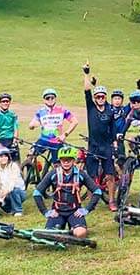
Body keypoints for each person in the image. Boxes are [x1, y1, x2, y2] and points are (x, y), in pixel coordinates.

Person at [33, 144, 104, 238]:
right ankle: (64, 231)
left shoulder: (81, 174)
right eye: (63, 160)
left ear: (74, 161)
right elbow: (37, 193)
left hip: (74, 212)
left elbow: (97, 191)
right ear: (60, 161)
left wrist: (86, 209)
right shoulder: (53, 174)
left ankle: (70, 231)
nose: (66, 162)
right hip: (57, 212)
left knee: (80, 234)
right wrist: (45, 212)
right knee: (49, 235)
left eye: (69, 160)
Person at [83, 63, 118, 210]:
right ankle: (92, 202)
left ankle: (111, 201)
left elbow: (113, 129)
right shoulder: (90, 107)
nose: (100, 98)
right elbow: (86, 90)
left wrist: (115, 143)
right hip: (93, 146)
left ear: (105, 97)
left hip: (106, 147)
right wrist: (86, 74)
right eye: (98, 96)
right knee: (90, 176)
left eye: (102, 96)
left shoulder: (110, 111)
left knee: (109, 175)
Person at [28, 88, 78, 168]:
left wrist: (65, 134)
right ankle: (31, 175)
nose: (50, 99)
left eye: (52, 98)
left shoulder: (62, 110)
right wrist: (32, 125)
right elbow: (32, 123)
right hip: (43, 140)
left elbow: (74, 121)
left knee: (58, 165)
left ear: (55, 99)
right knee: (30, 154)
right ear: (44, 100)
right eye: (47, 98)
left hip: (57, 142)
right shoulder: (40, 112)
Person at [0, 145, 26, 216]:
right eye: (1, 157)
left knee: (14, 190)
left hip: (18, 192)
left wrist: (6, 191)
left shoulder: (13, 166)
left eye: (5, 156)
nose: (4, 158)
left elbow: (13, 182)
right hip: (5, 193)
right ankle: (9, 209)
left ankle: (18, 210)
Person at [111, 89, 132, 162]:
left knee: (121, 161)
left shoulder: (124, 110)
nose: (117, 101)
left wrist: (138, 88)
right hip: (110, 139)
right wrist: (95, 86)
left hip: (120, 139)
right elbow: (100, 99)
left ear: (122, 100)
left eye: (119, 99)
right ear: (112, 100)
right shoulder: (108, 108)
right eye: (115, 99)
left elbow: (133, 101)